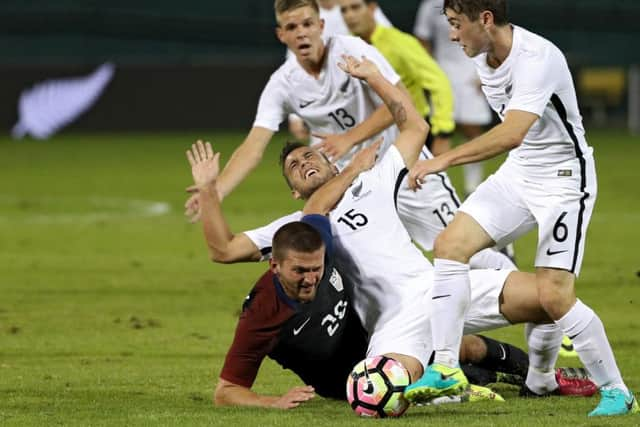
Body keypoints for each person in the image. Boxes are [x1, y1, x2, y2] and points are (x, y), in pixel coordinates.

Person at [185, 141, 552, 408]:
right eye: (294, 165)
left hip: (396, 318)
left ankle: (537, 376)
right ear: (274, 262)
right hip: (367, 358)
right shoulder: (294, 238)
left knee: (465, 342)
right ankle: (470, 385)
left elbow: (412, 127)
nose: (312, 275)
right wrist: (207, 188)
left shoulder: (331, 220)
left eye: (310, 155)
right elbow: (225, 250)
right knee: (419, 379)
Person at [404, 0, 637, 417]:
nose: (452, 35)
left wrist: (442, 158)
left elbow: (512, 132)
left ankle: (618, 392)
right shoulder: (484, 55)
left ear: (486, 20)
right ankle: (446, 367)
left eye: (457, 25)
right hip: (520, 174)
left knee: (553, 294)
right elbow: (517, 142)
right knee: (450, 245)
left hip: (565, 181)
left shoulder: (537, 57)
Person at [186, 0, 514, 272]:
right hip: (345, 185)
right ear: (281, 35)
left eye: (306, 24)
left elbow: (399, 103)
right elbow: (254, 146)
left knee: (459, 246)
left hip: (399, 163)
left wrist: (350, 138)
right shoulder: (282, 84)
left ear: (321, 26)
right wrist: (215, 192)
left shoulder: (351, 50)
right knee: (357, 264)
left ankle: (540, 305)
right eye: (291, 27)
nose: (301, 32)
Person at [337, 0, 455, 157]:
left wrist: (443, 132)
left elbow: (438, 82)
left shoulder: (398, 42)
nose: (350, 15)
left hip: (412, 130)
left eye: (355, 7)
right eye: (344, 10)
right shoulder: (345, 48)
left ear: (372, 8)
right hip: (374, 134)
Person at [414, 0, 490, 196]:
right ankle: (433, 185)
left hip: (472, 72)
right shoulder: (429, 6)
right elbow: (422, 40)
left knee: (472, 130)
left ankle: (473, 186)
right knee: (438, 130)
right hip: (442, 75)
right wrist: (429, 72)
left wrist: (486, 70)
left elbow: (489, 34)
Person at [287, 0, 392, 141]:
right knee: (326, 156)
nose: (350, 15)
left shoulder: (356, 5)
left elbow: (388, 41)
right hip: (326, 106)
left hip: (366, 99)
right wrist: (294, 116)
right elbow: (295, 65)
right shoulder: (303, 16)